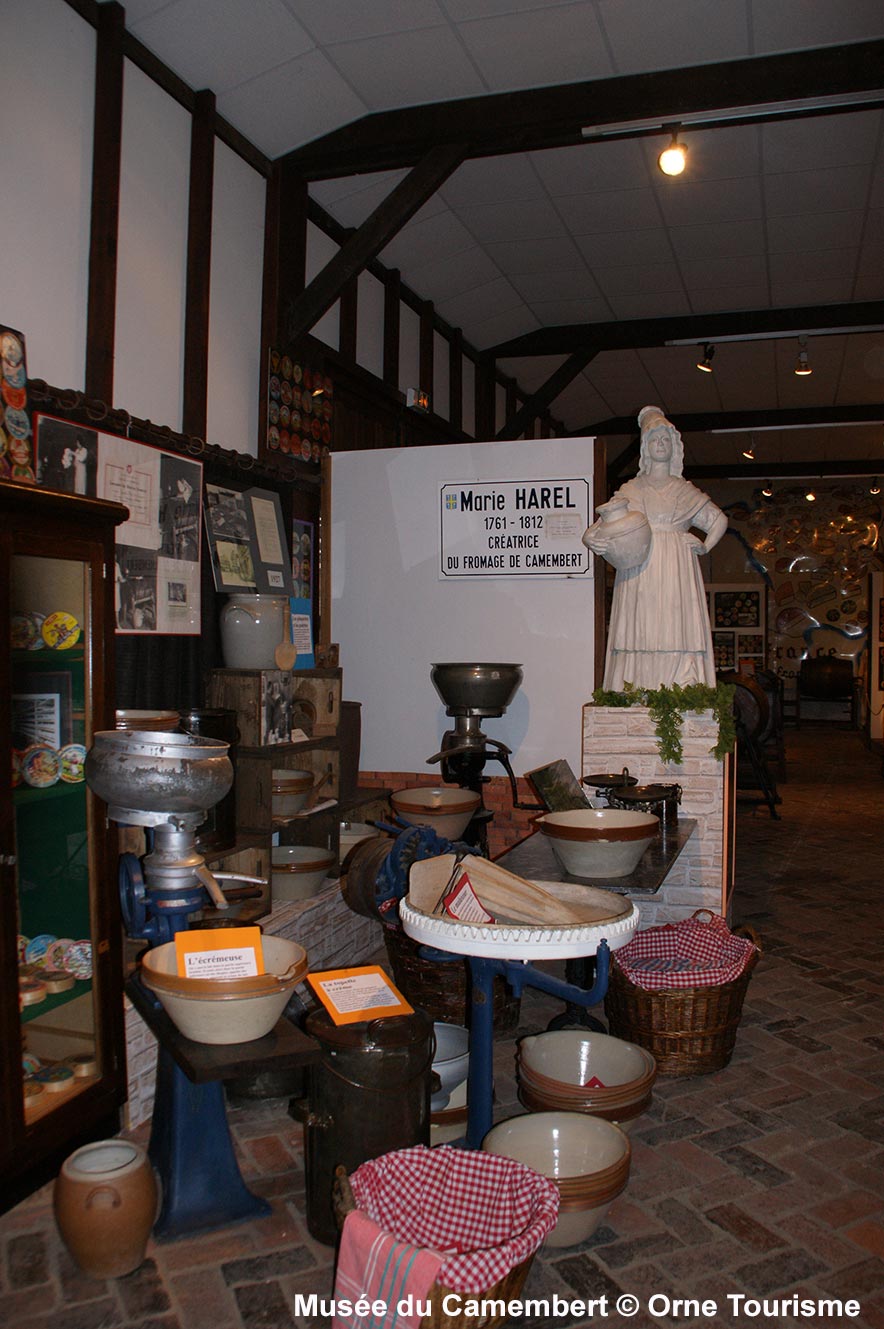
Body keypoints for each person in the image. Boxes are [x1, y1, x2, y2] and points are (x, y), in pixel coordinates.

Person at [584, 405, 727, 690]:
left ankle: (681, 684)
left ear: (674, 447)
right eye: (654, 440)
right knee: (640, 626)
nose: (660, 444)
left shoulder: (684, 490)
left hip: (676, 563)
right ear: (645, 448)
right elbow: (601, 524)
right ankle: (636, 685)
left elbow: (718, 520)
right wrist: (590, 538)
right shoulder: (632, 489)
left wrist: (705, 545)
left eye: (665, 440)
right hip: (640, 565)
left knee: (675, 623)